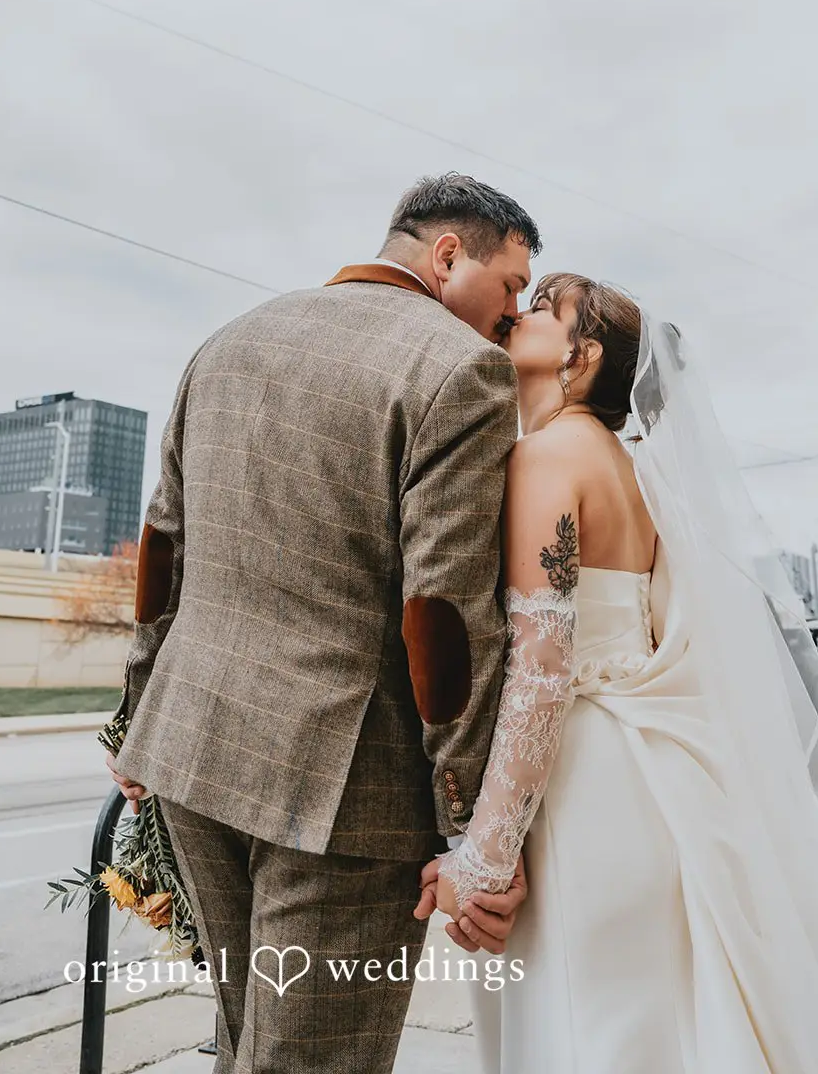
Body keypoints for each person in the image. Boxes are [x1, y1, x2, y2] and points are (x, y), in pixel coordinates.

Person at [416, 273, 818, 1074]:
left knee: (586, 1025)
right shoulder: (632, 474)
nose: (519, 312)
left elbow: (543, 672)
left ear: (579, 356)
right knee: (654, 1023)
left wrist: (482, 853)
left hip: (580, 782)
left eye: (544, 307)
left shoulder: (545, 456)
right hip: (654, 778)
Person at [104, 173, 540, 1074]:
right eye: (511, 286)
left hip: (192, 751)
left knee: (243, 1036)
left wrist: (135, 717)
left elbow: (162, 553)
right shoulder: (459, 370)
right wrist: (468, 818)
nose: (512, 314)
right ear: (448, 252)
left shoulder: (226, 341)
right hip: (344, 793)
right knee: (313, 1062)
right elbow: (444, 614)